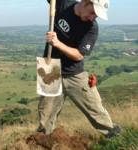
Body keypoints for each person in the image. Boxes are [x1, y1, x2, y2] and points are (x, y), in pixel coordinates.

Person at [37, 0, 121, 138]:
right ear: (85, 2)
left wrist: (57, 43)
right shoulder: (63, 3)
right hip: (50, 68)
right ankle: (42, 141)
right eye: (93, 12)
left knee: (95, 108)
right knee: (45, 113)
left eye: (96, 16)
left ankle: (114, 136)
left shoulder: (91, 28)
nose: (93, 17)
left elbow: (78, 55)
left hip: (74, 72)